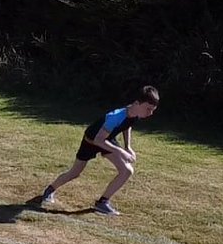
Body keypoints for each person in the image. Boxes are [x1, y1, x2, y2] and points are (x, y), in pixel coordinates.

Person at [40, 86, 160, 216]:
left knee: (127, 170)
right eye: (148, 109)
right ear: (137, 103)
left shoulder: (135, 113)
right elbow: (98, 140)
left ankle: (102, 202)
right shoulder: (116, 116)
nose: (150, 113)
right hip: (91, 140)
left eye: (152, 110)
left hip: (107, 139)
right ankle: (50, 189)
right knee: (75, 172)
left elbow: (127, 126)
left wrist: (128, 146)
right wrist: (120, 152)